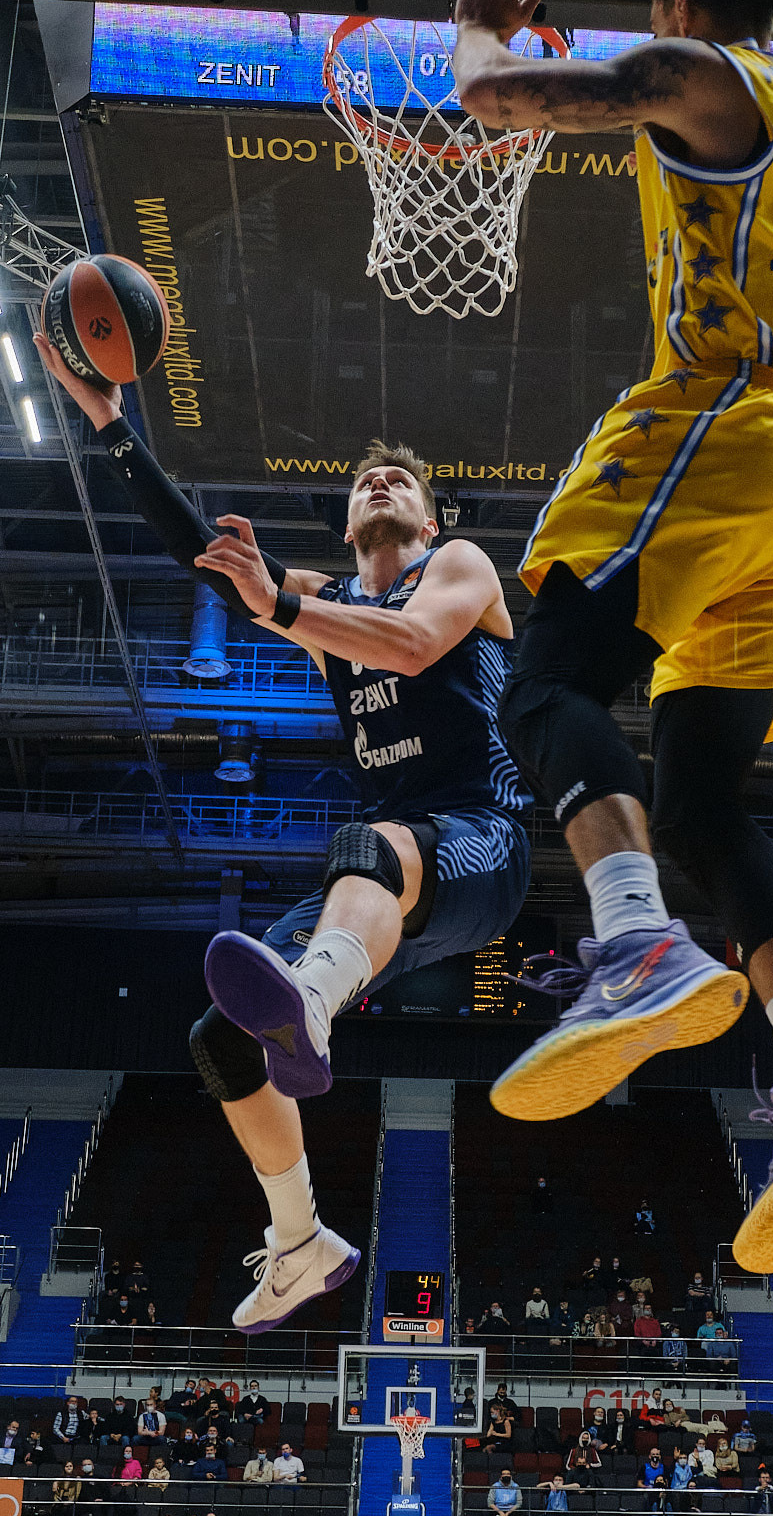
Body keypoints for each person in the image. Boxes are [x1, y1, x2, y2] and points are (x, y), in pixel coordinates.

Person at [446, 0, 773, 1226]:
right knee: (706, 805)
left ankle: (637, 938)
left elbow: (496, 96)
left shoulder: (701, 79)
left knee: (544, 684)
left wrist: (481, 14)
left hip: (719, 426)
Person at [36, 342, 532, 1338]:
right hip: (389, 874)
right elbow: (215, 566)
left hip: (483, 844)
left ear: (427, 520)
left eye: (399, 480)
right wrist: (112, 430)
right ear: (349, 522)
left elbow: (415, 644)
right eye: (363, 482)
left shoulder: (459, 568)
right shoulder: (327, 598)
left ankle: (312, 1000)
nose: (379, 482)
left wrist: (286, 605)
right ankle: (301, 1239)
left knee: (370, 844)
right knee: (221, 1035)